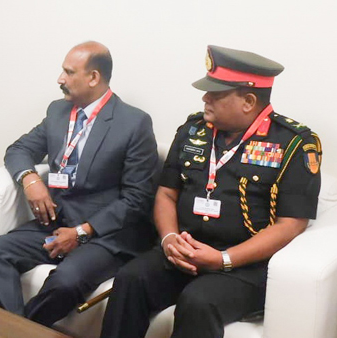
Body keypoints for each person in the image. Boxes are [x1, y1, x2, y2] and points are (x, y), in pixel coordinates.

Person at [100, 45, 322, 338]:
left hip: (244, 267)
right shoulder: (193, 130)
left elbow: (291, 224)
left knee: (198, 301)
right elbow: (166, 193)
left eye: (215, 94)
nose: (205, 98)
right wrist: (168, 239)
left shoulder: (294, 143)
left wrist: (224, 259)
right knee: (130, 279)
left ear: (249, 100)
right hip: (184, 250)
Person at [0, 41, 158, 327]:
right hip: (56, 223)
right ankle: (10, 332)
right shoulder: (58, 112)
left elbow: (138, 199)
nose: (60, 79)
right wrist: (30, 179)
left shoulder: (133, 123)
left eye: (68, 72)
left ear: (93, 77)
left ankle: (14, 331)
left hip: (104, 236)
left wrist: (82, 232)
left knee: (65, 282)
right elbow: (18, 150)